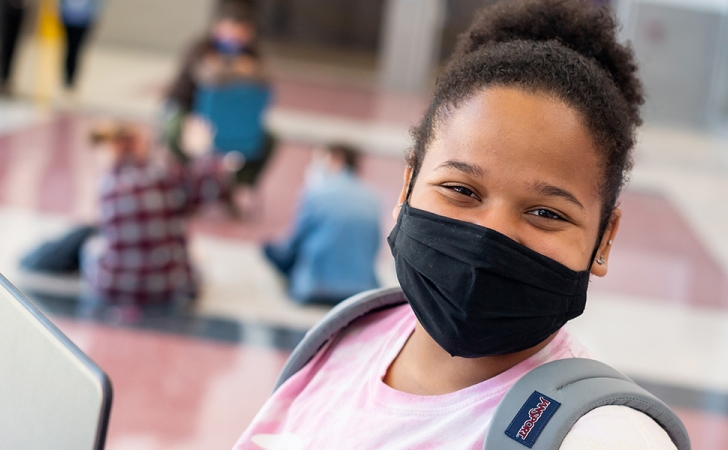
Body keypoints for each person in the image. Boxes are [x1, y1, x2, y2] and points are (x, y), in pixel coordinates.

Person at [235, 0, 678, 449]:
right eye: (461, 190)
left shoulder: (602, 437)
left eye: (546, 213)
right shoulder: (343, 338)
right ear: (408, 183)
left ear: (605, 239)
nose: (491, 236)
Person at [81, 122, 232, 312]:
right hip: (170, 288)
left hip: (114, 287)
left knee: (91, 248)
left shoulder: (107, 184)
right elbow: (212, 187)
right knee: (195, 261)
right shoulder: (165, 177)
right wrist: (203, 150)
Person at [163, 0, 273, 188]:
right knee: (175, 131)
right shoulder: (200, 47)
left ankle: (239, 185)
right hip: (187, 108)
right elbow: (209, 76)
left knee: (268, 139)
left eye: (242, 32)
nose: (236, 37)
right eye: (232, 29)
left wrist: (239, 68)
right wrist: (240, 69)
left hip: (230, 116)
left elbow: (264, 78)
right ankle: (185, 179)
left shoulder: (252, 52)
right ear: (218, 27)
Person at [263, 144, 382, 305]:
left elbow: (293, 244)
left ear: (336, 158)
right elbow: (374, 246)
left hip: (316, 288)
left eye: (319, 159)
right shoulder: (373, 198)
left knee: (271, 249)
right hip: (362, 289)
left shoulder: (316, 193)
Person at [59, 0, 101, 90]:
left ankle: (71, 80)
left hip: (83, 19)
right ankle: (67, 80)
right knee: (70, 49)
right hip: (68, 17)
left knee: (76, 50)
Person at [0, 0, 29, 96]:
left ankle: (6, 79)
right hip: (6, 7)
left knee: (13, 45)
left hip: (19, 8)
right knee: (5, 41)